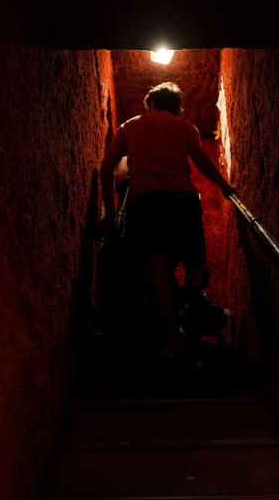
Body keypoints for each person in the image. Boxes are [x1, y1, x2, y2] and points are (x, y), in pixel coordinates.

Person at [100, 82, 235, 356]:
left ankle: (174, 341)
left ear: (150, 103)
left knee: (157, 272)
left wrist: (111, 214)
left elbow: (106, 168)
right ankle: (192, 295)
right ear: (177, 106)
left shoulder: (130, 126)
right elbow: (201, 160)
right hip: (182, 201)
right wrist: (223, 184)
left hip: (146, 204)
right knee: (199, 266)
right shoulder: (185, 127)